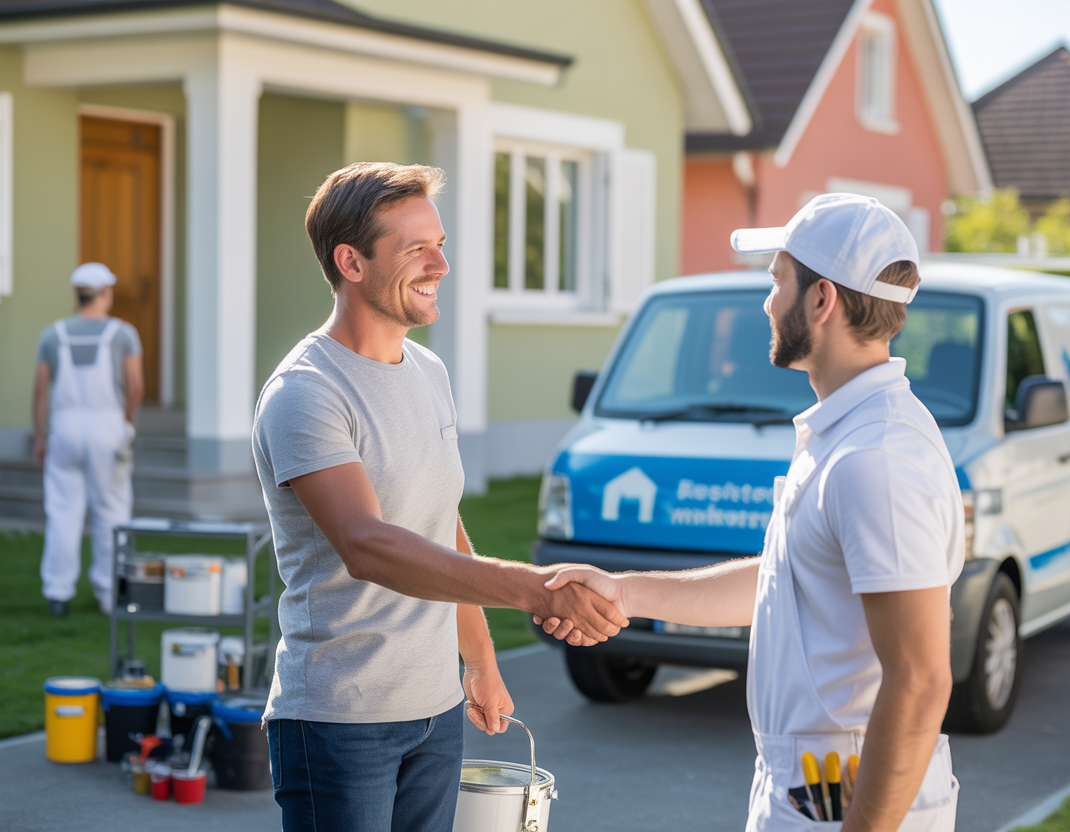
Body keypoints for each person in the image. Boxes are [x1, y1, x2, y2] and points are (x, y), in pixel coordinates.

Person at [540, 194, 964, 832]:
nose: (767, 302)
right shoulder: (845, 435)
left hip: (847, 797)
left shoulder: (875, 458)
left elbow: (922, 679)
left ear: (822, 299)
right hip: (817, 786)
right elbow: (784, 584)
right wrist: (624, 592)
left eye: (777, 281)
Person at [251, 162, 627, 832]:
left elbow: (439, 526)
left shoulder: (428, 372)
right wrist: (535, 590)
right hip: (340, 720)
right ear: (352, 262)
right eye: (416, 249)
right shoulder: (305, 393)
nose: (441, 266)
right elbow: (368, 546)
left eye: (440, 244)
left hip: (435, 710)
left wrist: (479, 662)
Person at [32, 262, 143, 617]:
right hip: (107, 429)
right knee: (112, 512)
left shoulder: (52, 335)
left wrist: (39, 436)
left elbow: (39, 393)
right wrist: (125, 421)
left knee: (62, 511)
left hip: (63, 429)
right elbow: (136, 386)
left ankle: (58, 592)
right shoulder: (123, 333)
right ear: (105, 294)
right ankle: (111, 595)